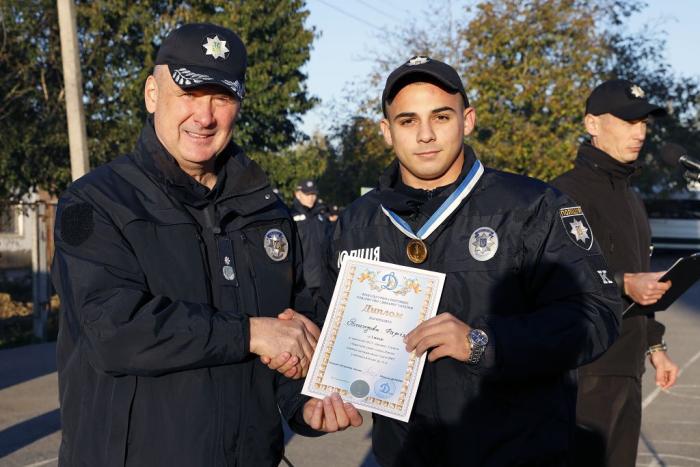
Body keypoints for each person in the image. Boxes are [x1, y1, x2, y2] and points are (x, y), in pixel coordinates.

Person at [51, 23, 360, 467]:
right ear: (152, 94)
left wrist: (304, 403)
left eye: (222, 98)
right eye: (189, 94)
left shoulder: (266, 212)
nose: (205, 116)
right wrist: (250, 333)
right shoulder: (97, 202)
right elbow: (113, 330)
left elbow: (291, 329)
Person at [318, 56, 622, 466]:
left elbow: (597, 315)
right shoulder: (356, 222)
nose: (425, 134)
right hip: (405, 455)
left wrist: (483, 343)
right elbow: (326, 325)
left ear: (468, 120)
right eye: (408, 121)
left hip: (517, 454)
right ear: (386, 132)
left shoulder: (533, 206)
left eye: (441, 117)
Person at [551, 79, 679, 467]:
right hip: (586, 368)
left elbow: (640, 274)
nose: (639, 133)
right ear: (592, 124)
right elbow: (556, 275)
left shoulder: (631, 196)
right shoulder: (564, 193)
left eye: (643, 123)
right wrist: (624, 282)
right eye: (627, 121)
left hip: (628, 366)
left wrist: (655, 346)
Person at [291, 179, 329, 296]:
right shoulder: (290, 216)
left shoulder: (321, 216)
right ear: (298, 194)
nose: (311, 198)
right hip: (302, 282)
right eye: (307, 194)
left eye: (313, 194)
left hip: (322, 279)